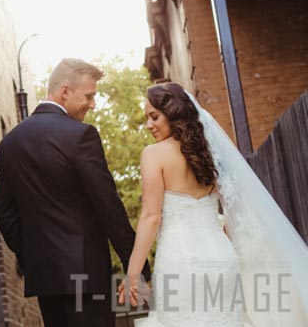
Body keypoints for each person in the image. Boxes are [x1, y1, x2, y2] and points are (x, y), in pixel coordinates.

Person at [122, 82, 308, 326]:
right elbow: (236, 206)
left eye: (154, 117)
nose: (149, 125)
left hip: (180, 262)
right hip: (222, 257)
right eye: (147, 118)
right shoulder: (209, 152)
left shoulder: (153, 154)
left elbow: (151, 216)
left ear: (173, 112)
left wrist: (133, 274)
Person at [0, 58, 148, 327]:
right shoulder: (81, 136)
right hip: (87, 275)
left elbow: (5, 216)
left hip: (45, 277)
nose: (92, 104)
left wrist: (34, 254)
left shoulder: (9, 145)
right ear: (65, 91)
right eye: (89, 96)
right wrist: (137, 266)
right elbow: (108, 208)